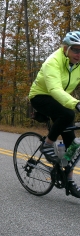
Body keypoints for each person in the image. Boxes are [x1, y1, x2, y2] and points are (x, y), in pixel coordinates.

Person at [29, 31, 80, 198]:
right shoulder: (53, 62)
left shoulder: (78, 63)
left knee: (71, 145)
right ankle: (48, 144)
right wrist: (76, 103)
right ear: (65, 48)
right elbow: (54, 89)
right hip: (41, 96)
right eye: (76, 50)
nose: (79, 54)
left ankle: (69, 181)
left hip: (60, 99)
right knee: (68, 114)